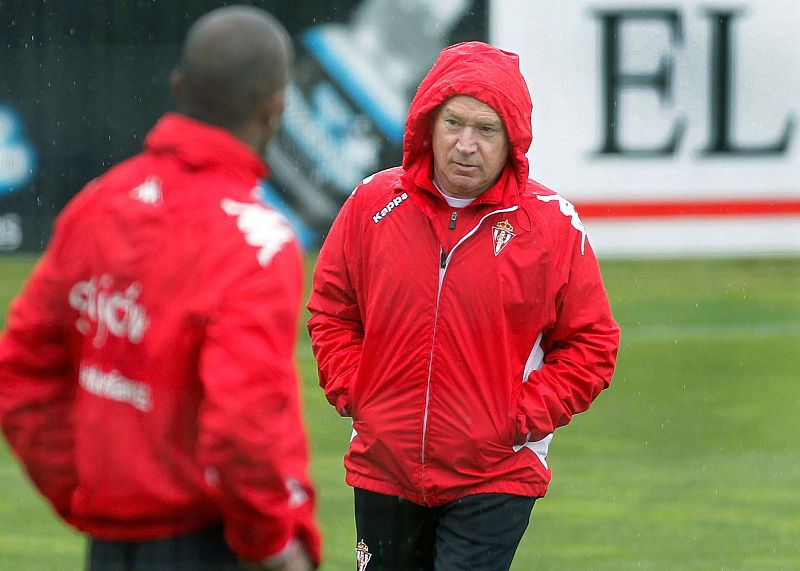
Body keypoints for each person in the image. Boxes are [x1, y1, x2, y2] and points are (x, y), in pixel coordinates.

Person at [0, 6, 319, 571]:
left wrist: (83, 488)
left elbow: (21, 370)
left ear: (176, 87)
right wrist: (273, 544)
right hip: (211, 543)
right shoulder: (258, 239)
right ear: (276, 106)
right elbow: (243, 427)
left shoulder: (99, 202)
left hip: (111, 546)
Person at [307, 41, 620, 571]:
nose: (466, 144)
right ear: (428, 123)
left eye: (486, 129)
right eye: (454, 123)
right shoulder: (372, 204)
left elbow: (592, 344)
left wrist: (517, 418)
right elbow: (332, 312)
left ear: (512, 140)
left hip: (495, 474)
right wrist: (361, 393)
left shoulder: (549, 226)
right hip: (385, 468)